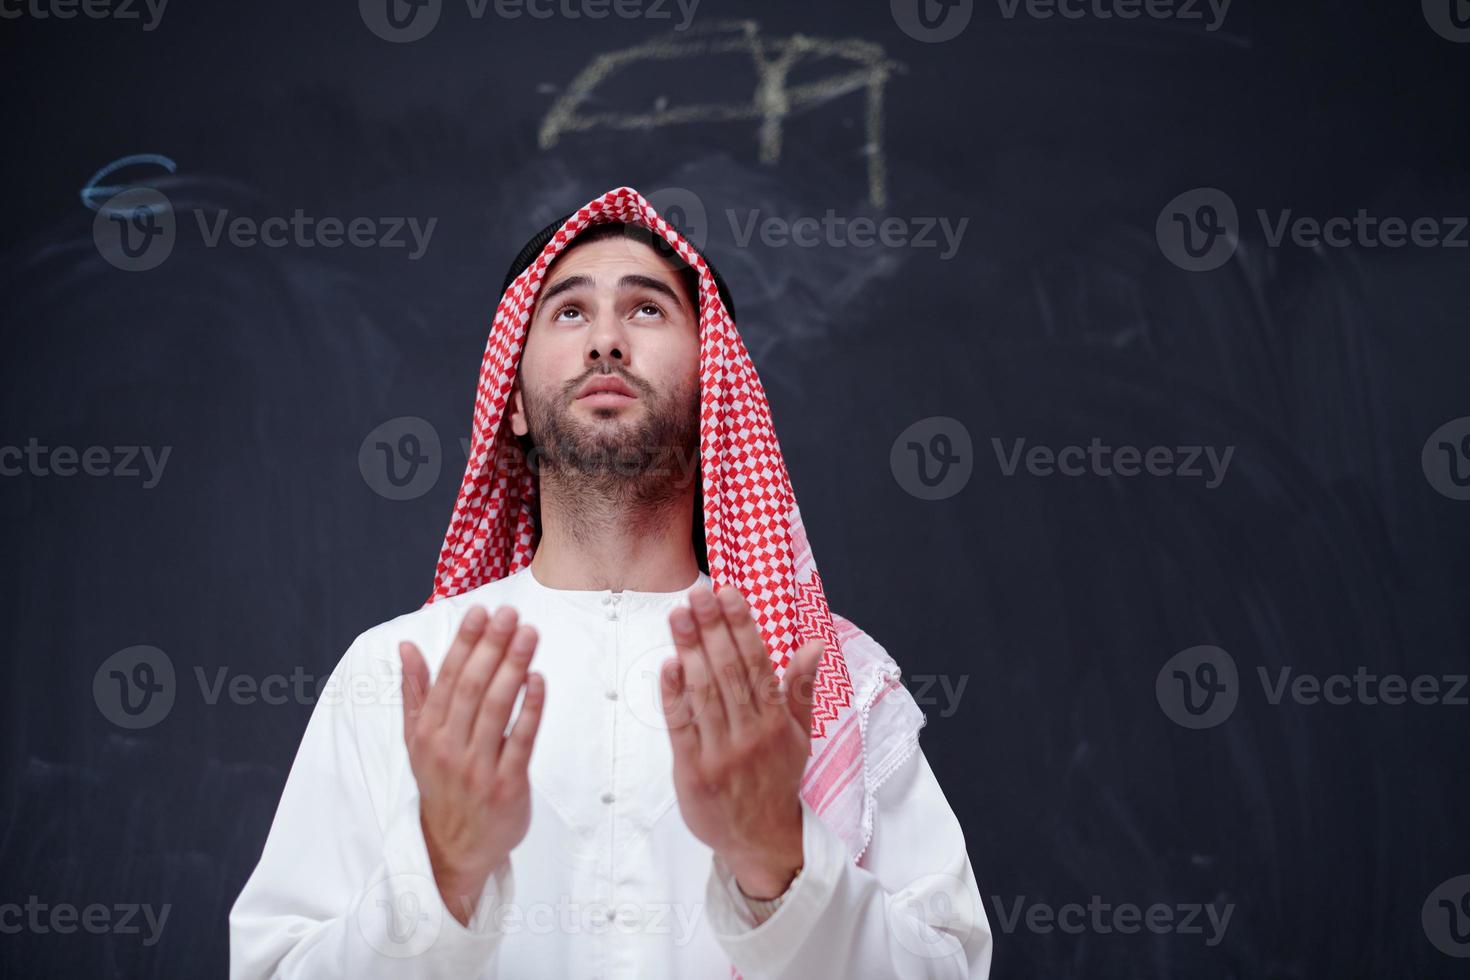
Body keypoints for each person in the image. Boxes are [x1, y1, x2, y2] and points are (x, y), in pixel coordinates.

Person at [228, 186, 993, 979]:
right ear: (513, 402)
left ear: (713, 387)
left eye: (647, 311)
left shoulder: (827, 681)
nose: (605, 341)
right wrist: (440, 876)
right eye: (567, 313)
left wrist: (782, 860)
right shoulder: (399, 675)